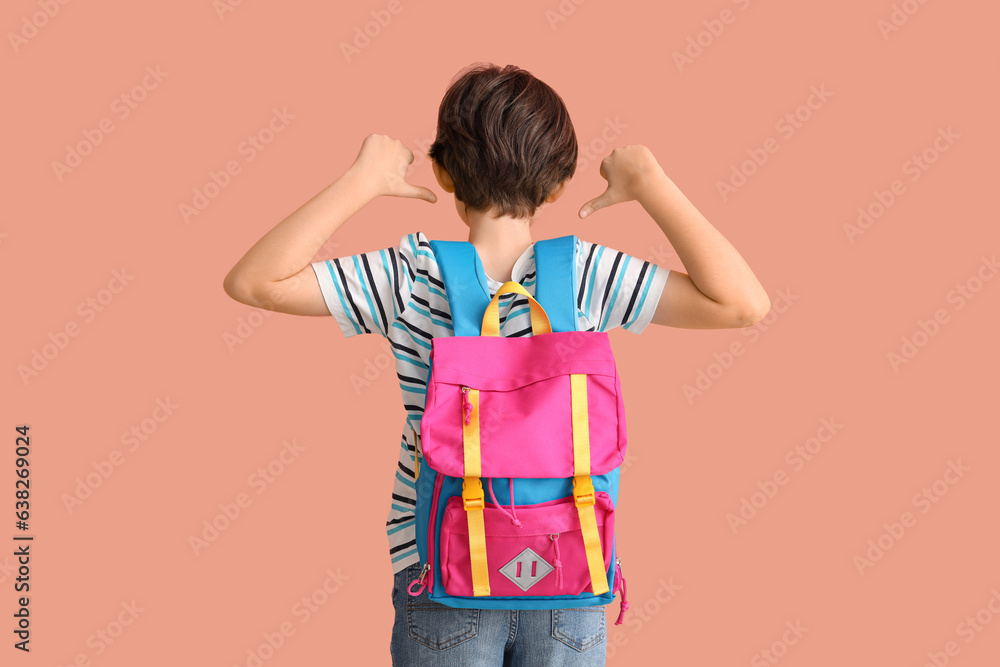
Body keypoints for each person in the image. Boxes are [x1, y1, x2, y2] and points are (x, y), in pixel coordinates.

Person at [223, 62, 770, 666]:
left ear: (442, 171)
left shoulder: (412, 275)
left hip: (442, 572)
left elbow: (256, 282)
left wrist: (361, 181)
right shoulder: (588, 274)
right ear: (559, 184)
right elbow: (742, 305)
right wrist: (650, 183)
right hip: (571, 563)